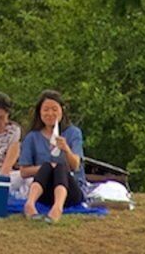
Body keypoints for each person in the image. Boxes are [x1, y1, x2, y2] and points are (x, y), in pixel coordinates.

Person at [19, 92, 92, 220]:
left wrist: (66, 149)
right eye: (46, 110)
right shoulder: (32, 137)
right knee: (48, 166)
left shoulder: (73, 133)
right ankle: (30, 204)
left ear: (62, 111)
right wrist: (47, 167)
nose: (50, 114)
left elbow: (76, 166)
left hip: (71, 190)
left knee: (60, 167)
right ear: (40, 112)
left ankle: (57, 208)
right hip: (45, 191)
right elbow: (24, 172)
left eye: (54, 109)